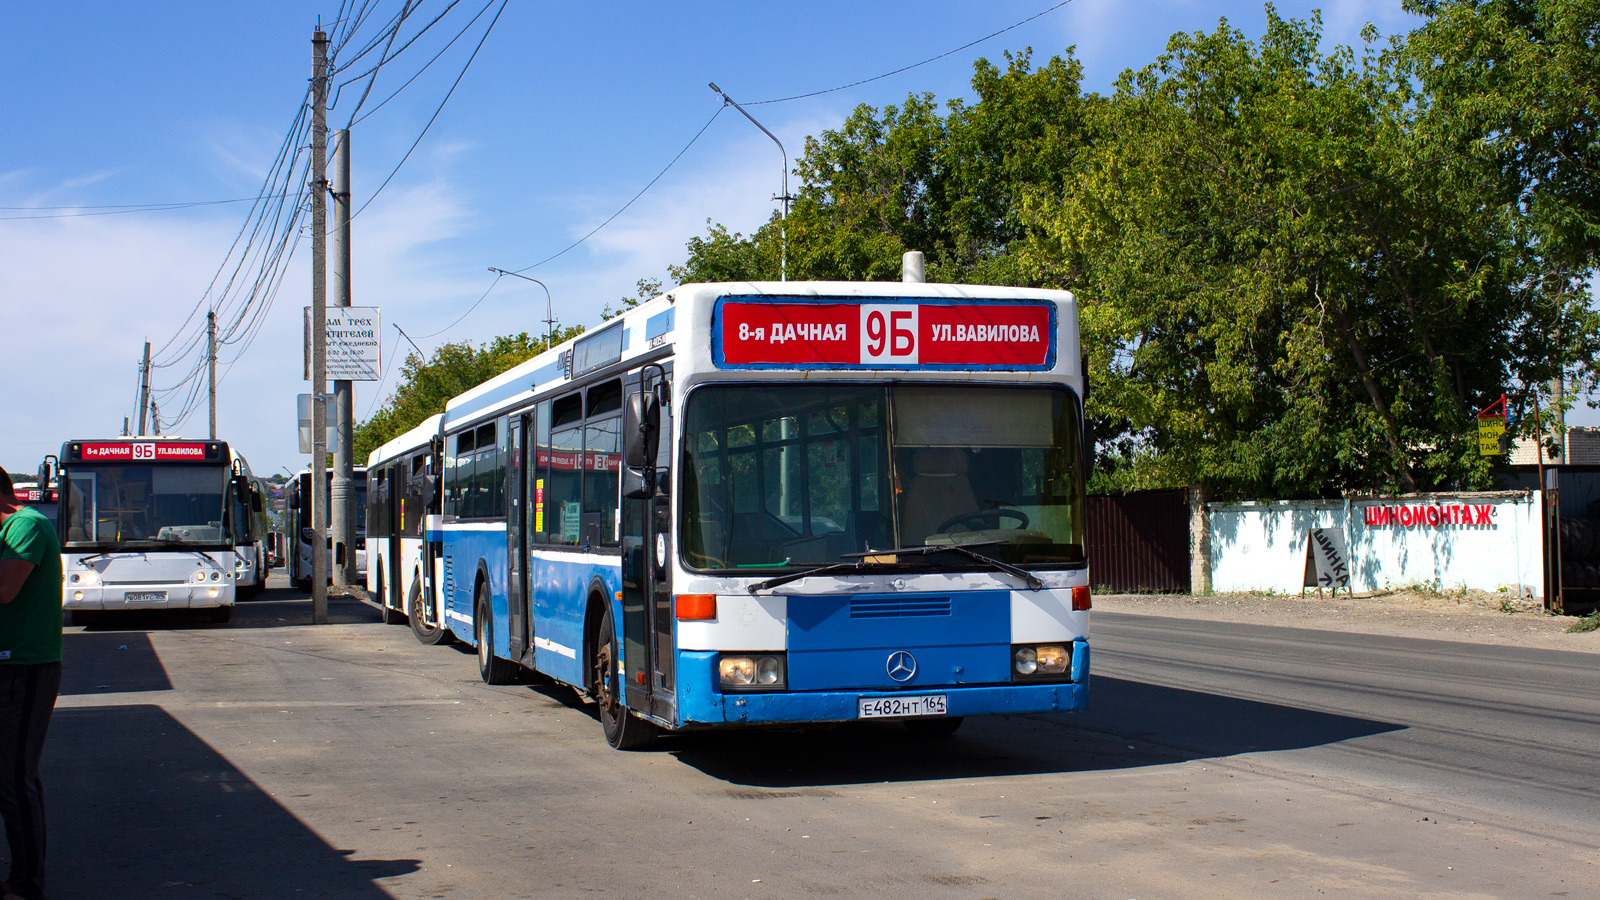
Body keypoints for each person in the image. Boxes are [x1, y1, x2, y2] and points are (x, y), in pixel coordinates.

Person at [0, 465, 63, 900]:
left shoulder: (27, 525)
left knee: (13, 776)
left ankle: (26, 884)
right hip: (9, 666)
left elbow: (5, 590)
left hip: (23, 667)